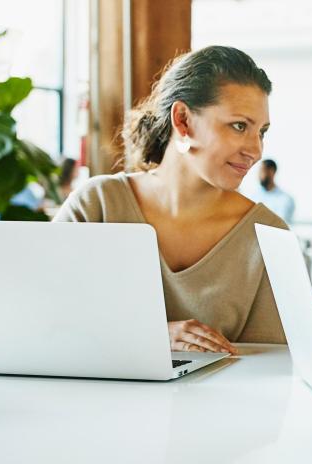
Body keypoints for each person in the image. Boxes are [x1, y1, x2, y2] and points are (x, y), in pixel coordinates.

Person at [54, 46, 288, 355]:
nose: (255, 150)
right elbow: (46, 317)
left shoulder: (268, 234)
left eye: (262, 132)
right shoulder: (97, 205)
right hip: (91, 400)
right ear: (183, 121)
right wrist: (149, 336)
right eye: (239, 126)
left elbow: (270, 368)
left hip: (218, 404)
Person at [247, 159, 295, 223]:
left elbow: (281, 223)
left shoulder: (285, 199)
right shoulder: (252, 197)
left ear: (271, 172)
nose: (258, 175)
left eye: (262, 171)